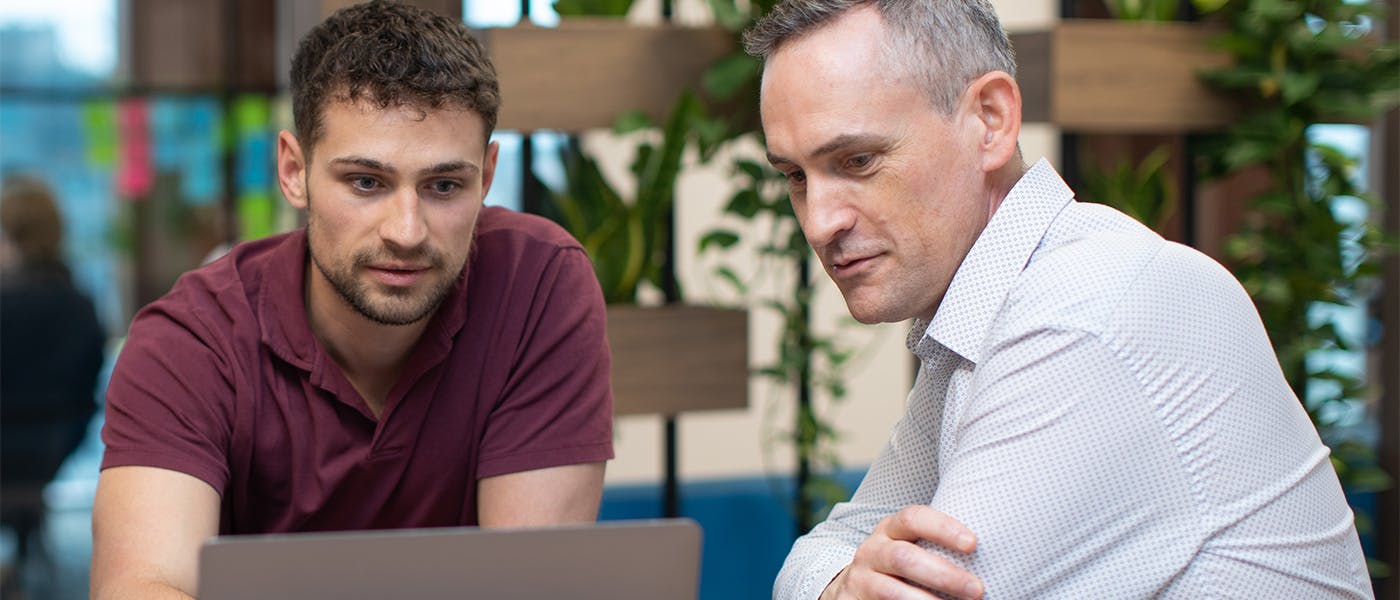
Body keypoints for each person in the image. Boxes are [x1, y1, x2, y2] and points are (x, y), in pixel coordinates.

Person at [750, 1, 1373, 598]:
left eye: (857, 160)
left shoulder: (1083, 311)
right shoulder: (988, 312)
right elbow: (829, 546)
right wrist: (836, 584)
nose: (818, 221)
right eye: (797, 177)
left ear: (990, 121)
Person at [91, 2, 614, 597]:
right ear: (294, 170)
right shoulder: (190, 340)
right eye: (366, 182)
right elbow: (143, 587)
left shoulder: (537, 284)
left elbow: (529, 587)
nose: (407, 231)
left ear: (487, 176)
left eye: (444, 186)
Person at [0, 176, 106, 595]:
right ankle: (22, 558)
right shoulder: (80, 304)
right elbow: (89, 385)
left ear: (11, 236)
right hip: (54, 449)